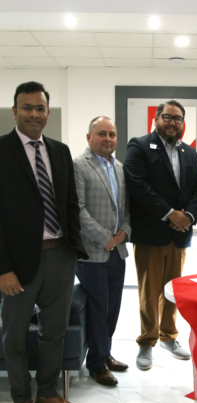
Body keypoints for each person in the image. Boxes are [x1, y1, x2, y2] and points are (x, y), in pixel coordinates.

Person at [0, 81, 88, 403]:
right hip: (18, 264)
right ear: (15, 110)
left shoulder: (60, 151)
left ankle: (47, 393)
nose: (34, 114)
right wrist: (3, 268)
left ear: (48, 112)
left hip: (60, 257)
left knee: (54, 331)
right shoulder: (2, 150)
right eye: (27, 107)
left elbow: (68, 204)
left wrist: (74, 249)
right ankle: (22, 398)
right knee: (16, 334)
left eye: (40, 108)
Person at [124, 100, 197, 370]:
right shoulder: (139, 145)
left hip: (179, 235)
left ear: (183, 123)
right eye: (168, 117)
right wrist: (170, 213)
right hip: (150, 234)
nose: (173, 123)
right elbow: (137, 186)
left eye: (178, 119)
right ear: (157, 119)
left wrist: (189, 217)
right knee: (149, 291)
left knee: (174, 290)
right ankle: (146, 342)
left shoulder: (189, 152)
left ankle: (168, 337)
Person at [74, 116, 131, 386]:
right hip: (92, 253)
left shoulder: (119, 167)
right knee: (98, 307)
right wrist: (104, 237)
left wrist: (124, 232)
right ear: (89, 138)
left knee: (113, 307)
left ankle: (104, 353)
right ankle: (96, 363)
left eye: (112, 134)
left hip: (117, 251)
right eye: (101, 134)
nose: (108, 139)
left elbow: (125, 208)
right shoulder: (78, 166)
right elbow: (78, 210)